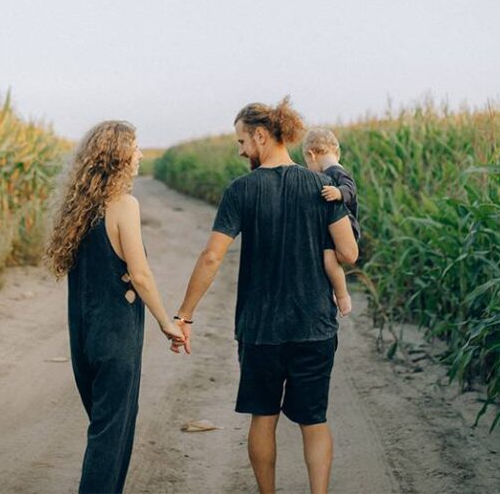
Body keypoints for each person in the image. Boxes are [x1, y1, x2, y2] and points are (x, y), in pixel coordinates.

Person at [173, 98, 358, 494]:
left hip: (260, 329)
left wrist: (185, 314)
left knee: (263, 416)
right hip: (314, 325)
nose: (240, 150)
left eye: (242, 141)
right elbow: (349, 253)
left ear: (260, 135)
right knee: (314, 420)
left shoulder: (241, 190)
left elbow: (211, 257)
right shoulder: (323, 187)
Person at [44, 120, 185, 494]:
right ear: (119, 156)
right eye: (135, 148)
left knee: (104, 430)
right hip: (116, 337)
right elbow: (139, 274)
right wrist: (165, 321)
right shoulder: (124, 205)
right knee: (110, 440)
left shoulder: (78, 210)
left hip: (83, 338)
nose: (140, 155)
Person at [302, 128, 361, 317]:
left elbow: (350, 189)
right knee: (327, 259)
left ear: (312, 155)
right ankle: (337, 294)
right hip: (336, 224)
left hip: (347, 226)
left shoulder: (336, 171)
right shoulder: (330, 172)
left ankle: (342, 297)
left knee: (329, 259)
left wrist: (339, 193)